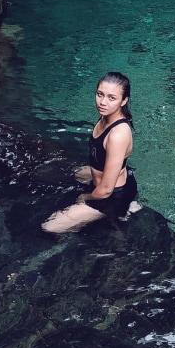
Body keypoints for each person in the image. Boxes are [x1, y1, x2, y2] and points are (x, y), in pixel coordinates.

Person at [42, 72, 140, 233]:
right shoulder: (106, 116)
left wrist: (85, 198)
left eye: (111, 98)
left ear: (124, 101)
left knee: (50, 227)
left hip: (111, 196)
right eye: (100, 94)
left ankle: (122, 209)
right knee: (74, 173)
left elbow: (106, 189)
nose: (103, 102)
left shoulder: (118, 134)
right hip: (106, 180)